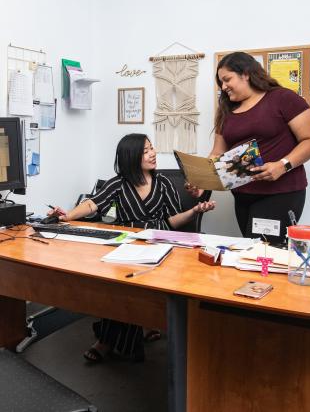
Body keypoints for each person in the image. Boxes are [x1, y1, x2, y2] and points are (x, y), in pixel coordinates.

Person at [48, 133, 215, 363]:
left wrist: (195, 211)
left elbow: (173, 221)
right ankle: (133, 330)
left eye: (152, 148)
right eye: (146, 150)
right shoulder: (117, 183)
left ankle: (106, 341)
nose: (153, 153)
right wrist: (68, 216)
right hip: (128, 243)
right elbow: (91, 204)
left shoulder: (164, 183)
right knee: (121, 287)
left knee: (140, 287)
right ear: (131, 156)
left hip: (159, 242)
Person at [189, 51, 310, 244]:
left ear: (246, 73)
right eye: (221, 83)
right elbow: (218, 152)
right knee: (252, 252)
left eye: (227, 79)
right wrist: (202, 181)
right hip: (243, 196)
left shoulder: (283, 98)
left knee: (265, 252)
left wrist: (283, 165)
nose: (224, 87)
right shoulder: (226, 110)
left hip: (280, 193)